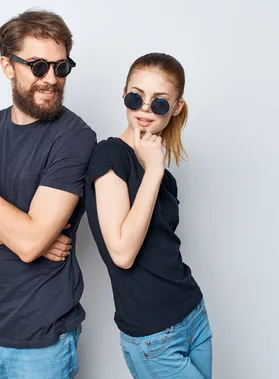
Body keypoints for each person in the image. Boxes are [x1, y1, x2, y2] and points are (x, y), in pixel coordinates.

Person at [0, 9, 96, 379]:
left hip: (40, 345)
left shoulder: (75, 137)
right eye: (38, 66)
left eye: (61, 67)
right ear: (7, 66)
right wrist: (31, 234)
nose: (51, 79)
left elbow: (28, 243)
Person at [84, 53, 212, 379]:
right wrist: (153, 171)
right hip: (155, 336)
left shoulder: (166, 178)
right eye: (135, 96)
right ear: (124, 93)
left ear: (176, 107)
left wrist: (157, 171)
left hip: (193, 314)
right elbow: (123, 253)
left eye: (159, 103)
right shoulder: (110, 155)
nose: (144, 108)